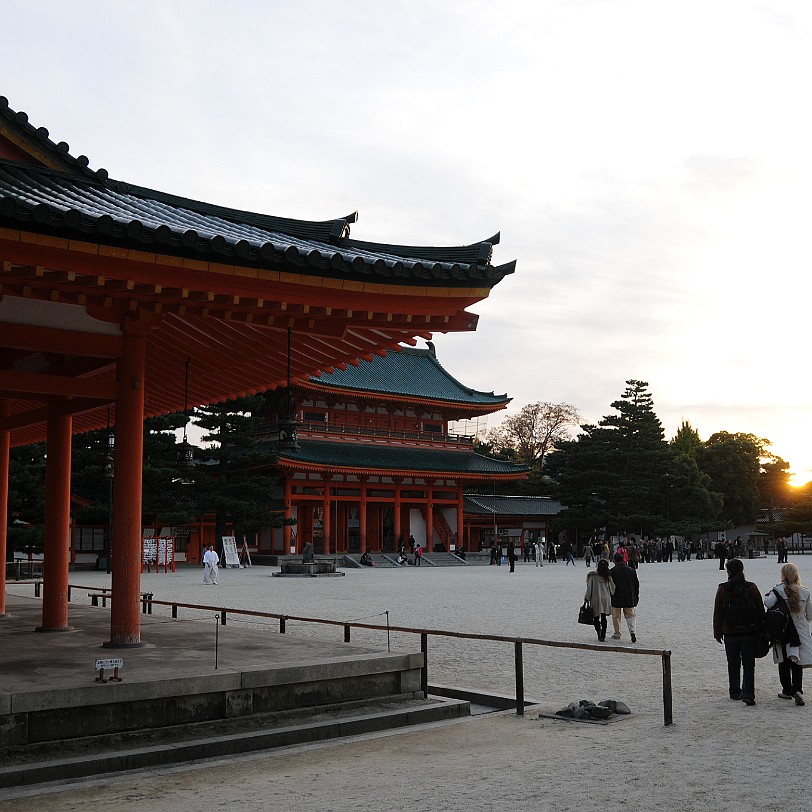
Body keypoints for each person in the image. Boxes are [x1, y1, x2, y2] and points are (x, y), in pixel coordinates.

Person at [713, 558, 764, 705]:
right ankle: (748, 692)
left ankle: (734, 691)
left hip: (730, 632)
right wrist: (761, 630)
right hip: (749, 631)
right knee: (749, 664)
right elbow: (760, 610)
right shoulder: (751, 587)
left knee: (733, 662)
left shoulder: (723, 588)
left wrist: (717, 632)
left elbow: (718, 612)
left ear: (728, 571)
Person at [764, 563, 812, 705]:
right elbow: (809, 615)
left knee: (783, 662)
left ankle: (786, 690)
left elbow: (768, 604)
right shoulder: (805, 592)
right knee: (796, 661)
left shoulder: (777, 591)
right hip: (799, 631)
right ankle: (797, 689)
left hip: (782, 630)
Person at [609, 553, 639, 642]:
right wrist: (636, 596)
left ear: (614, 561)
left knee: (616, 616)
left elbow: (610, 586)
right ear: (623, 560)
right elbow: (636, 585)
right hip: (629, 596)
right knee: (630, 615)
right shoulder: (631, 570)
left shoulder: (612, 571)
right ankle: (632, 630)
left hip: (616, 597)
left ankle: (617, 633)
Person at [585, 559, 615, 642]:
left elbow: (589, 588)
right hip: (606, 598)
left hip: (596, 598)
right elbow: (612, 589)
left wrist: (587, 598)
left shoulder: (592, 576)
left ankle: (599, 632)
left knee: (596, 617)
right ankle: (603, 634)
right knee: (603, 617)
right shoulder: (608, 576)